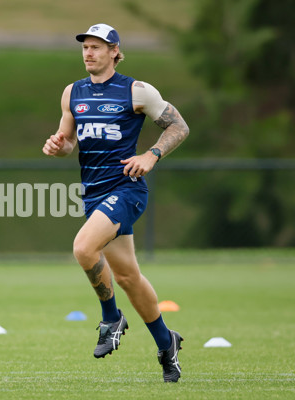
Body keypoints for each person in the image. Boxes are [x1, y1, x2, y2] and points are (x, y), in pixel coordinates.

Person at [42, 23, 189, 383]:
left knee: (82, 248)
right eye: (85, 47)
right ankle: (166, 342)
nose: (89, 52)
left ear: (114, 51)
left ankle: (111, 318)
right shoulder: (72, 93)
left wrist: (152, 155)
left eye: (97, 47)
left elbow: (179, 127)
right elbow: (69, 141)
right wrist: (60, 147)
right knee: (127, 276)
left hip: (126, 190)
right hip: (93, 193)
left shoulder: (136, 91)